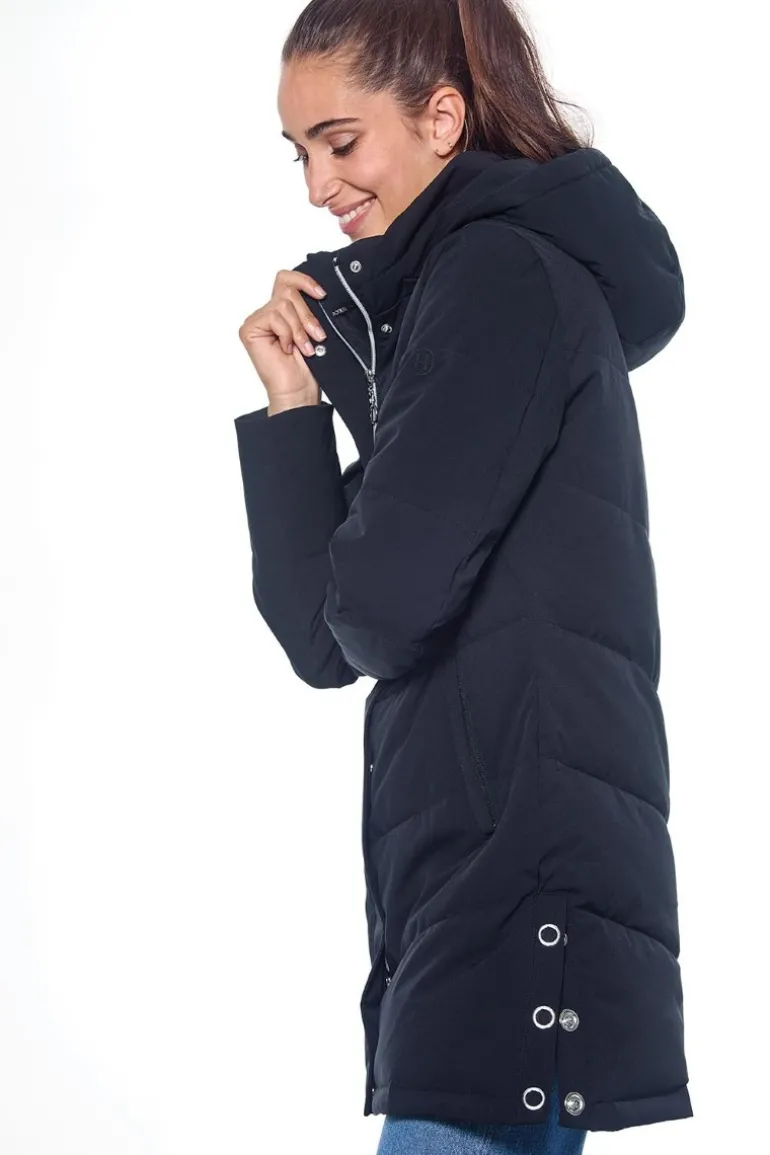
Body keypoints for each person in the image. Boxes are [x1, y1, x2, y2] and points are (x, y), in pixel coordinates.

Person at [233, 0, 694, 1150]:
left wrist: (364, 384)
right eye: (298, 154)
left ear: (439, 119)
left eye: (340, 142)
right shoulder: (455, 298)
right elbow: (321, 640)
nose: (316, 187)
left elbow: (377, 613)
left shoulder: (495, 279)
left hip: (515, 884)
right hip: (474, 885)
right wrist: (295, 405)